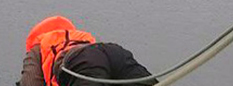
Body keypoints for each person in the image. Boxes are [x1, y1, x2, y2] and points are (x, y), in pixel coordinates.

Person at [18, 15, 157, 86]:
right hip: (114, 52)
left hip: (80, 62)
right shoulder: (76, 39)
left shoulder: (38, 48)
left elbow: (30, 82)